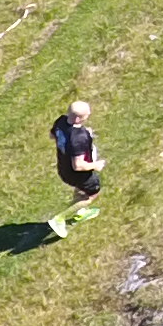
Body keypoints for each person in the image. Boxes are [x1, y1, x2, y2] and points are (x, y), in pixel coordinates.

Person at [49, 101, 103, 236]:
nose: (89, 115)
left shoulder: (61, 121)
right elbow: (78, 165)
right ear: (78, 118)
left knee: (81, 189)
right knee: (92, 195)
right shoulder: (79, 138)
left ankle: (80, 212)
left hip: (63, 167)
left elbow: (52, 135)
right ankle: (59, 219)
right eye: (87, 115)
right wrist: (96, 165)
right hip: (78, 174)